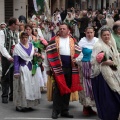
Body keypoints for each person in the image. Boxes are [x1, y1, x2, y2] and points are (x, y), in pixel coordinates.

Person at [44, 23, 83, 119]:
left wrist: (76, 60)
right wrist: (48, 68)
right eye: (60, 28)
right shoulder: (53, 40)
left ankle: (64, 110)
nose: (61, 30)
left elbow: (80, 53)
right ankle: (55, 111)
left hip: (70, 68)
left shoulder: (73, 40)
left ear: (68, 30)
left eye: (64, 28)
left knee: (67, 89)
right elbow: (47, 54)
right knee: (58, 89)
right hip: (58, 68)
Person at [91, 27, 120, 120]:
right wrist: (104, 62)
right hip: (103, 75)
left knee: (115, 95)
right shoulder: (98, 45)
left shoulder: (111, 44)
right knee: (108, 98)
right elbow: (93, 61)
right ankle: (108, 116)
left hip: (113, 72)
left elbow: (115, 56)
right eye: (104, 35)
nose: (106, 36)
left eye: (108, 35)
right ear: (101, 36)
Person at [13, 32, 41, 112]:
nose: (24, 39)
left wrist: (37, 58)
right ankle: (20, 105)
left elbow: (33, 57)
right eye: (23, 38)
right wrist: (16, 71)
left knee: (31, 86)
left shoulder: (31, 45)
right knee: (23, 87)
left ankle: (29, 104)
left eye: (26, 37)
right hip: (23, 68)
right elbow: (16, 61)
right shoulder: (17, 47)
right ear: (20, 38)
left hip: (31, 68)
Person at [77, 27, 98, 115]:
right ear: (85, 33)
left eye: (91, 32)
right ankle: (86, 107)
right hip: (84, 67)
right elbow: (78, 54)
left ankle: (91, 108)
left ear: (94, 33)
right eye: (88, 32)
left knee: (93, 87)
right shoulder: (82, 42)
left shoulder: (97, 41)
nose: (89, 34)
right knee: (85, 87)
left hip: (94, 67)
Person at [0, 17, 19, 103]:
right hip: (6, 58)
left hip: (14, 57)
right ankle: (4, 95)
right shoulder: (2, 32)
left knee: (13, 77)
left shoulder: (16, 33)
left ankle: (12, 95)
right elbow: (1, 46)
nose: (18, 25)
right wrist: (8, 57)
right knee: (5, 76)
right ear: (13, 24)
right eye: (17, 24)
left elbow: (17, 44)